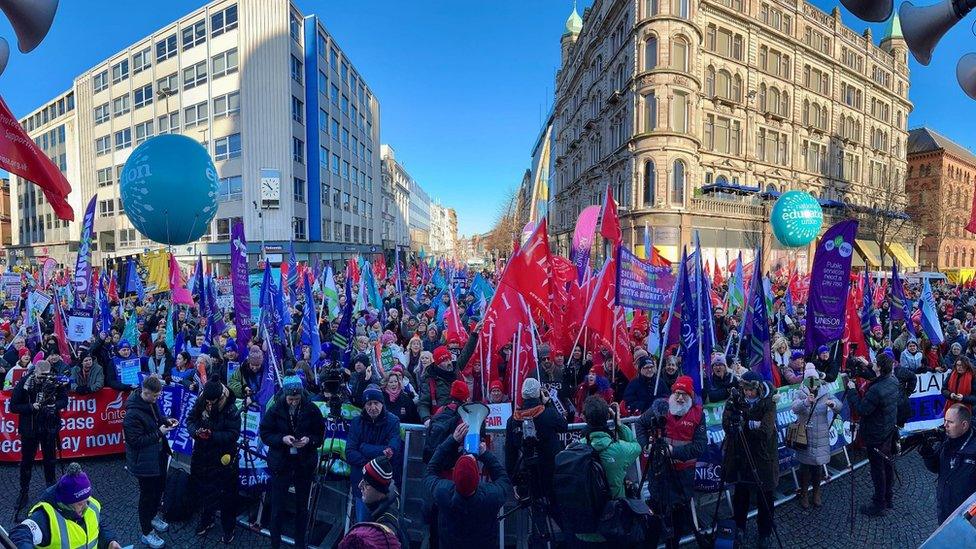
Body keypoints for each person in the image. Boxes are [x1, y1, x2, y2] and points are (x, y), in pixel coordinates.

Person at [635, 376, 705, 549]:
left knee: (678, 516)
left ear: (691, 396)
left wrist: (675, 452)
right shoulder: (661, 407)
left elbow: (700, 447)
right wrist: (646, 445)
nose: (680, 397)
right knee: (656, 512)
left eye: (684, 394)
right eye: (677, 393)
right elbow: (640, 424)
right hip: (659, 470)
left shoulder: (698, 414)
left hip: (683, 474)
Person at [259, 375, 326, 549]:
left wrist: (309, 440)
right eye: (290, 399)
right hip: (282, 463)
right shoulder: (274, 409)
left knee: (302, 509)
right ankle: (275, 544)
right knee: (277, 509)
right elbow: (265, 433)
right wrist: (282, 439)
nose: (294, 402)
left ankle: (300, 545)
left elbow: (320, 435)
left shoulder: (311, 409)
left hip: (303, 464)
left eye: (296, 399)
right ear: (285, 396)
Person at [423, 422, 511, 549]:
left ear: (454, 477)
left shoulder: (443, 492)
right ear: (477, 478)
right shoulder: (491, 496)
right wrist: (486, 454)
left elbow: (430, 471)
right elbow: (503, 479)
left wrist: (451, 440)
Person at [571, 396, 642, 547]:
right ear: (607, 416)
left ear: (584, 417)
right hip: (612, 525)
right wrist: (619, 424)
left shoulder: (573, 450)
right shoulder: (618, 449)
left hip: (584, 528)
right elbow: (636, 446)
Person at [8, 462, 122, 549]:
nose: (86, 507)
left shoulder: (91, 505)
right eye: (80, 503)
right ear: (66, 503)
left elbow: (98, 527)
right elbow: (19, 534)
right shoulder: (45, 517)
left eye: (87, 500)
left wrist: (110, 541)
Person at [722, 371, 778, 548]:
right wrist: (747, 421)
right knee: (741, 495)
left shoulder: (768, 402)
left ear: (759, 388)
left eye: (751, 390)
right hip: (741, 455)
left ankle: (765, 532)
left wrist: (745, 422)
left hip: (763, 457)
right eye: (745, 389)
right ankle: (739, 528)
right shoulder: (735, 400)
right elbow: (727, 424)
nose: (748, 393)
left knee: (765, 497)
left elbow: (765, 431)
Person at [504, 377, 568, 528]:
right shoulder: (548, 414)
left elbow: (510, 452)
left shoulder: (512, 420)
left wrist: (513, 480)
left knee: (537, 516)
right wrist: (549, 403)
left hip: (529, 473)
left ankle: (540, 538)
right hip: (551, 471)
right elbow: (563, 425)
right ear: (539, 393)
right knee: (559, 512)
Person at [123, 375, 175, 549]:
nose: (157, 399)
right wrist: (159, 433)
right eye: (155, 396)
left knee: (158, 489)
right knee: (147, 496)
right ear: (145, 392)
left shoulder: (152, 401)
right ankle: (146, 532)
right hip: (143, 461)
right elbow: (135, 441)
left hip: (157, 455)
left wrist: (166, 422)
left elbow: (158, 416)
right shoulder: (131, 414)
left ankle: (153, 517)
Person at [11, 359, 68, 514]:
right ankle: (24, 493)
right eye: (41, 375)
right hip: (29, 428)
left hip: (48, 427)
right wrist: (30, 407)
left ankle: (51, 490)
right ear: (35, 371)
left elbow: (65, 400)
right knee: (26, 462)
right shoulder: (24, 383)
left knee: (50, 460)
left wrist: (54, 405)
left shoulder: (54, 381)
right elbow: (13, 406)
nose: (44, 378)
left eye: (46, 375)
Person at [187, 380, 241, 543]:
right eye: (207, 402)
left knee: (227, 495)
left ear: (220, 397)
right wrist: (196, 432)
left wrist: (213, 435)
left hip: (223, 457)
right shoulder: (202, 398)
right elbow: (190, 420)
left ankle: (228, 527)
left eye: (212, 402)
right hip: (202, 453)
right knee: (204, 490)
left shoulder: (231, 408)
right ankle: (206, 520)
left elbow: (233, 434)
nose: (209, 404)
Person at [846, 352, 900, 516]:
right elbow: (877, 376)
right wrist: (868, 365)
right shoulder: (893, 380)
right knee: (887, 464)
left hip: (876, 434)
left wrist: (852, 390)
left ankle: (879, 504)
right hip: (887, 430)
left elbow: (862, 409)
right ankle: (888, 498)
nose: (873, 362)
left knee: (878, 470)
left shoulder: (876, 390)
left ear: (880, 368)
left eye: (875, 362)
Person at [347, 385, 402, 523]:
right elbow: (350, 452)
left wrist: (364, 448)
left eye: (376, 403)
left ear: (382, 404)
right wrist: (375, 459)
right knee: (364, 524)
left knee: (384, 526)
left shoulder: (392, 421)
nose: (373, 407)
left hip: (384, 485)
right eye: (369, 404)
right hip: (363, 484)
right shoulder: (356, 423)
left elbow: (392, 450)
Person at [790, 364, 842, 509]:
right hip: (804, 435)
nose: (812, 382)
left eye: (814, 379)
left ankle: (817, 492)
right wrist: (806, 402)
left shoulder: (825, 391)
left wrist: (833, 404)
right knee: (805, 467)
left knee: (818, 466)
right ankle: (805, 493)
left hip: (820, 434)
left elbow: (839, 405)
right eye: (809, 379)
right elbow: (794, 407)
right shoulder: (800, 392)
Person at [919, 403, 976, 524]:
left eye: (950, 422)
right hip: (944, 508)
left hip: (967, 516)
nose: (945, 425)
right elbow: (936, 468)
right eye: (945, 420)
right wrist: (927, 453)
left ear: (964, 425)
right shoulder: (947, 440)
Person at [357, 456, 409, 547]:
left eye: (366, 483)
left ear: (380, 490)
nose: (359, 485)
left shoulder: (383, 534)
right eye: (362, 480)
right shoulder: (392, 499)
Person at [417, 346, 462, 423]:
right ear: (438, 364)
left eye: (449, 359)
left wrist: (474, 336)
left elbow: (466, 354)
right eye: (444, 361)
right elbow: (423, 403)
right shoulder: (429, 379)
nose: (448, 363)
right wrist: (426, 419)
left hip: (458, 419)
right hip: (440, 422)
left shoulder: (455, 372)